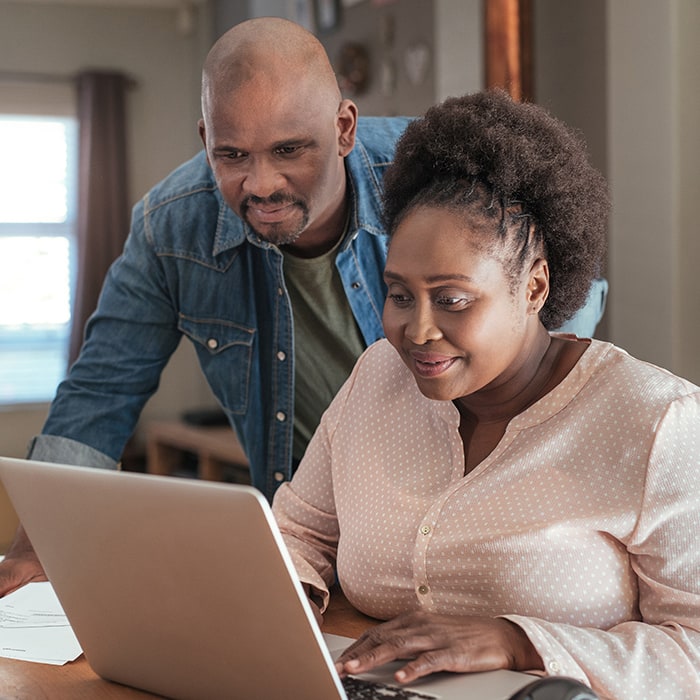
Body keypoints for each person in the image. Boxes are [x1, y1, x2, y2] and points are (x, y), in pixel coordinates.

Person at [0, 18, 604, 597]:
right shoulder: (171, 228)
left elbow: (552, 318)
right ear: (207, 139)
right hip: (308, 537)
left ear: (344, 128)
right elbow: (99, 393)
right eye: (232, 155)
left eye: (289, 149)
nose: (261, 184)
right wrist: (39, 544)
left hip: (466, 523)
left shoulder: (437, 184)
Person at [271, 89, 700, 699]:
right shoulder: (377, 378)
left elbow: (694, 646)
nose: (416, 331)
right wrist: (276, 608)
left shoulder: (658, 422)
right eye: (399, 295)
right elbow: (299, 531)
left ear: (534, 287)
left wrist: (518, 639)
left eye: (452, 300)